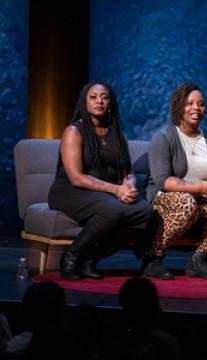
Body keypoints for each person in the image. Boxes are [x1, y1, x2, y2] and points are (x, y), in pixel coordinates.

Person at [48, 80, 156, 280]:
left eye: (105, 97)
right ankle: (72, 255)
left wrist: (129, 184)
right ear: (85, 102)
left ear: (111, 103)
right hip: (70, 191)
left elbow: (127, 170)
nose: (99, 101)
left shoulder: (115, 132)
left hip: (104, 192)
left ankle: (92, 258)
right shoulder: (74, 131)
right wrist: (116, 190)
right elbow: (76, 178)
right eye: (93, 97)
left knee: (146, 212)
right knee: (112, 209)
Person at [146, 82, 207, 280]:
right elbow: (164, 181)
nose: (196, 108)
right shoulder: (164, 137)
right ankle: (153, 259)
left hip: (204, 201)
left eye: (201, 104)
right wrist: (202, 187)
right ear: (178, 106)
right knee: (186, 202)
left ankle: (199, 260)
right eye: (189, 103)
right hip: (168, 199)